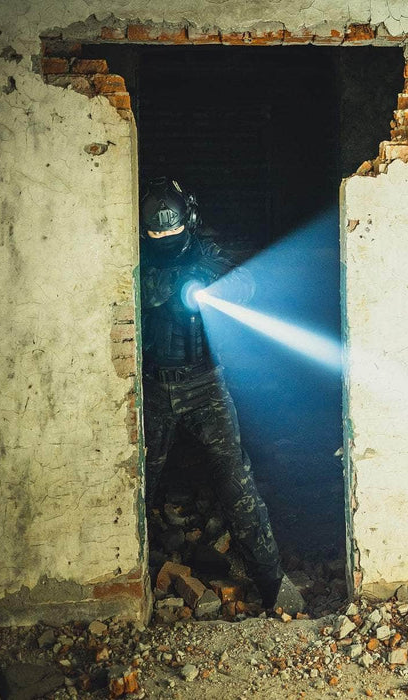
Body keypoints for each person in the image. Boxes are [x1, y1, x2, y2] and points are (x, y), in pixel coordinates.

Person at [139, 176, 304, 614]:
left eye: (173, 234)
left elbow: (247, 283)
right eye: (158, 237)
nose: (166, 242)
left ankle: (273, 583)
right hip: (152, 388)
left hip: (204, 386)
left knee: (237, 484)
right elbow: (127, 291)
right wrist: (167, 288)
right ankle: (130, 584)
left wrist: (213, 284)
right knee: (137, 486)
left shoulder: (206, 254)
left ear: (188, 222)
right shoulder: (135, 262)